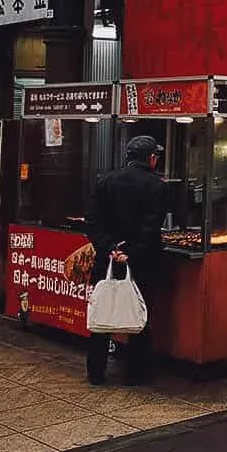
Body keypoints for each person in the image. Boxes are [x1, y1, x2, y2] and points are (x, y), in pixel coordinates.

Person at [85, 135, 167, 387]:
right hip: (141, 261)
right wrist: (131, 251)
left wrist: (110, 248)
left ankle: (96, 373)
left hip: (107, 260)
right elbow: (151, 226)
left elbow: (92, 220)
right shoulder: (156, 185)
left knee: (103, 313)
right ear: (151, 158)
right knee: (139, 314)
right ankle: (136, 373)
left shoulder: (106, 180)